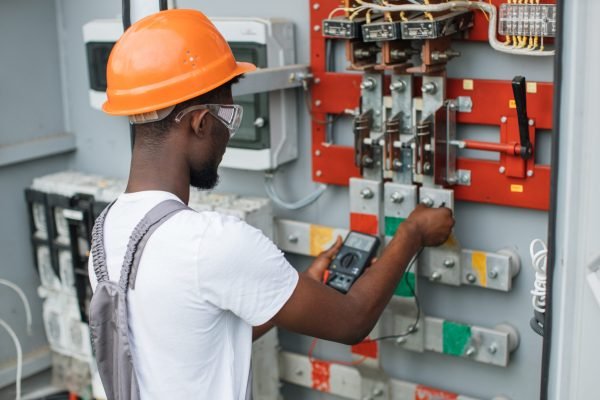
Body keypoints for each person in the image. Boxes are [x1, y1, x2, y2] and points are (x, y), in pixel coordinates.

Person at [89, 8, 454, 400]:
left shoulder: (107, 230)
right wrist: (413, 232)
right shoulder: (211, 242)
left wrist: (281, 296)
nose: (228, 133)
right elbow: (352, 322)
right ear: (200, 123)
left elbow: (189, 340)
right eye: (228, 116)